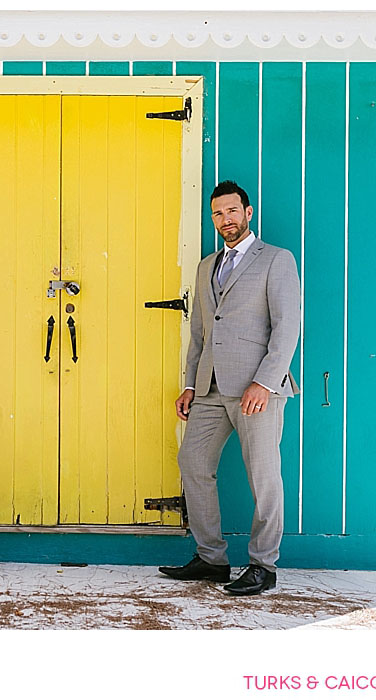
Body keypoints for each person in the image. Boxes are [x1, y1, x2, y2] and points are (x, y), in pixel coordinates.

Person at [159, 180, 300, 596]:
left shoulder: (276, 260)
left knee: (263, 476)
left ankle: (263, 566)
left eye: (232, 211)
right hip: (209, 389)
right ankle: (211, 559)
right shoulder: (207, 266)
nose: (226, 220)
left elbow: (287, 327)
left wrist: (265, 381)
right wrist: (190, 384)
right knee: (193, 463)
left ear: (249, 212)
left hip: (257, 391)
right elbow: (200, 334)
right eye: (218, 213)